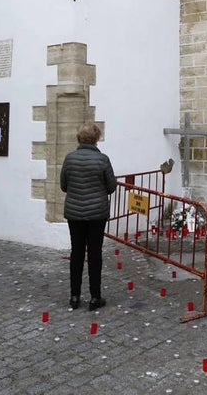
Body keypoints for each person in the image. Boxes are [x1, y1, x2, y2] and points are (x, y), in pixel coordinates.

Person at [60, 121, 116, 310]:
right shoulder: (103, 160)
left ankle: (74, 296)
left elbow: (64, 185)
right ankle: (95, 297)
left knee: (76, 253)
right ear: (96, 139)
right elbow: (111, 187)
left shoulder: (70, 158)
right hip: (96, 214)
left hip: (74, 213)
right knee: (94, 254)